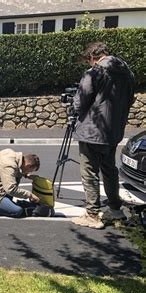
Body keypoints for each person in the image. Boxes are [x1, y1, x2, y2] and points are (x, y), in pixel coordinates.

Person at [71, 42, 136, 229]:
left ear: (93, 56)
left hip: (93, 130)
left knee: (89, 171)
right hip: (113, 131)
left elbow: (80, 101)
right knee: (109, 170)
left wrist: (74, 108)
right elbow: (130, 100)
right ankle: (115, 209)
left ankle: (92, 214)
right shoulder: (127, 73)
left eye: (89, 61)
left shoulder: (95, 72)